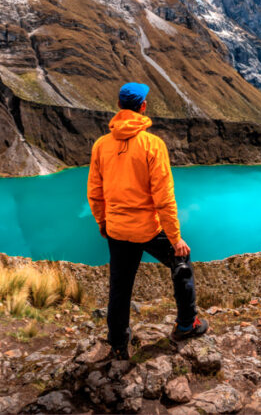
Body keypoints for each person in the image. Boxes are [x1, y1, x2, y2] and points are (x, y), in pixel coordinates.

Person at [87, 82, 208, 359]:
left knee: (120, 287)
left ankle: (118, 342)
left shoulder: (101, 146)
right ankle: (187, 324)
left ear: (119, 106)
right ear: (143, 107)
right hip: (149, 229)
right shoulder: (153, 145)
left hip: (117, 228)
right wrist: (175, 238)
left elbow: (94, 192)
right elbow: (163, 197)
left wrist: (102, 222)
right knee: (182, 262)